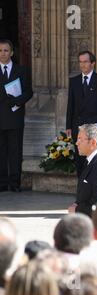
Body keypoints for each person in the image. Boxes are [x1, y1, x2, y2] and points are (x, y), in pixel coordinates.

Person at [66, 51, 97, 177]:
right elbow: (71, 105)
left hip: (95, 130)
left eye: (85, 61)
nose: (82, 65)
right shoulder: (74, 81)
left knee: (94, 162)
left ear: (93, 63)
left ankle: (94, 190)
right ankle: (82, 191)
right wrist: (69, 125)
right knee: (80, 161)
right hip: (78, 128)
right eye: (80, 62)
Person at [0, 39, 33, 193]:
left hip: (15, 116)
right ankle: (2, 183)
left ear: (12, 53)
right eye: (0, 50)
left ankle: (15, 183)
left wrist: (17, 101)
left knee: (15, 151)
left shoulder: (22, 71)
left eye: (6, 50)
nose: (2, 53)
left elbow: (28, 91)